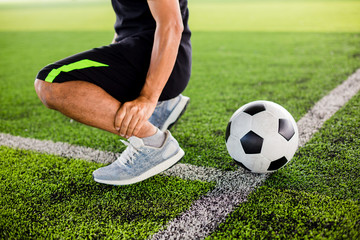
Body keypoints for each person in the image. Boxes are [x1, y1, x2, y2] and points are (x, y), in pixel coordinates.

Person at [34, 0, 191, 185]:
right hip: (144, 55)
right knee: (65, 82)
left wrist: (148, 97)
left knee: (49, 84)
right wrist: (87, 97)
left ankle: (154, 144)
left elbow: (171, 24)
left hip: (160, 60)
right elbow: (127, 23)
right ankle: (164, 106)